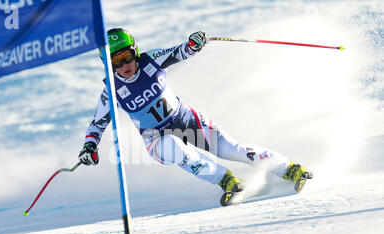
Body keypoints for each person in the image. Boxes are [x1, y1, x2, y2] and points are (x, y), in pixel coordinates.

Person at [79, 28, 312, 206]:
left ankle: (288, 168)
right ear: (108, 65)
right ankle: (226, 180)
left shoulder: (151, 60)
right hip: (155, 138)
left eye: (128, 56)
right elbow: (98, 124)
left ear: (136, 51)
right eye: (116, 62)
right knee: (174, 147)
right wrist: (90, 146)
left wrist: (194, 44)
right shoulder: (112, 90)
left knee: (230, 149)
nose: (125, 65)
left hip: (185, 119)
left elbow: (180, 52)